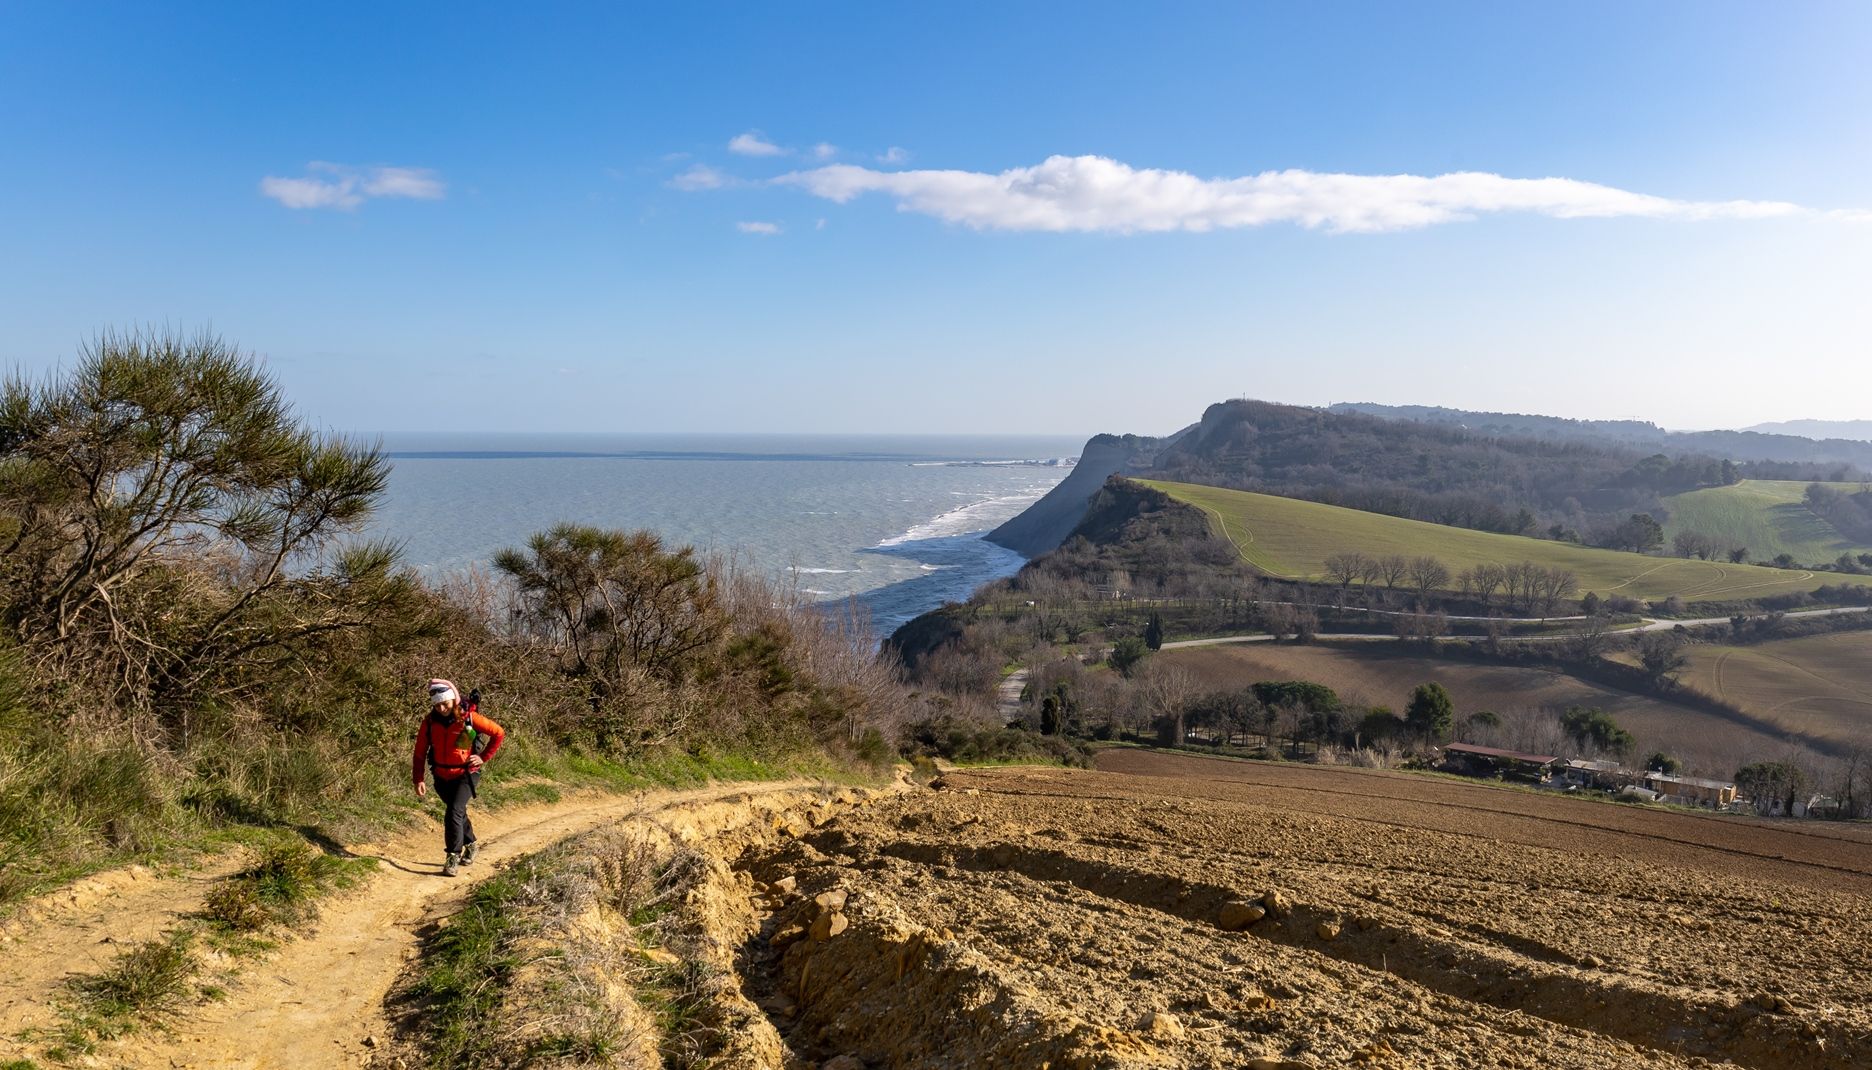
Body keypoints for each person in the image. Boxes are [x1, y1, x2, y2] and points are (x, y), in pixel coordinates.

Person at [412, 678, 505, 876]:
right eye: (437, 705)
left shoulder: (469, 718)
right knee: (457, 812)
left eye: (444, 703)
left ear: (453, 700)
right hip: (441, 776)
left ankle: (452, 856)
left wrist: (482, 757)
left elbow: (498, 733)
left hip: (466, 774)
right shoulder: (429, 723)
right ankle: (471, 844)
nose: (441, 708)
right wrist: (418, 778)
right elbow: (419, 752)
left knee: (453, 812)